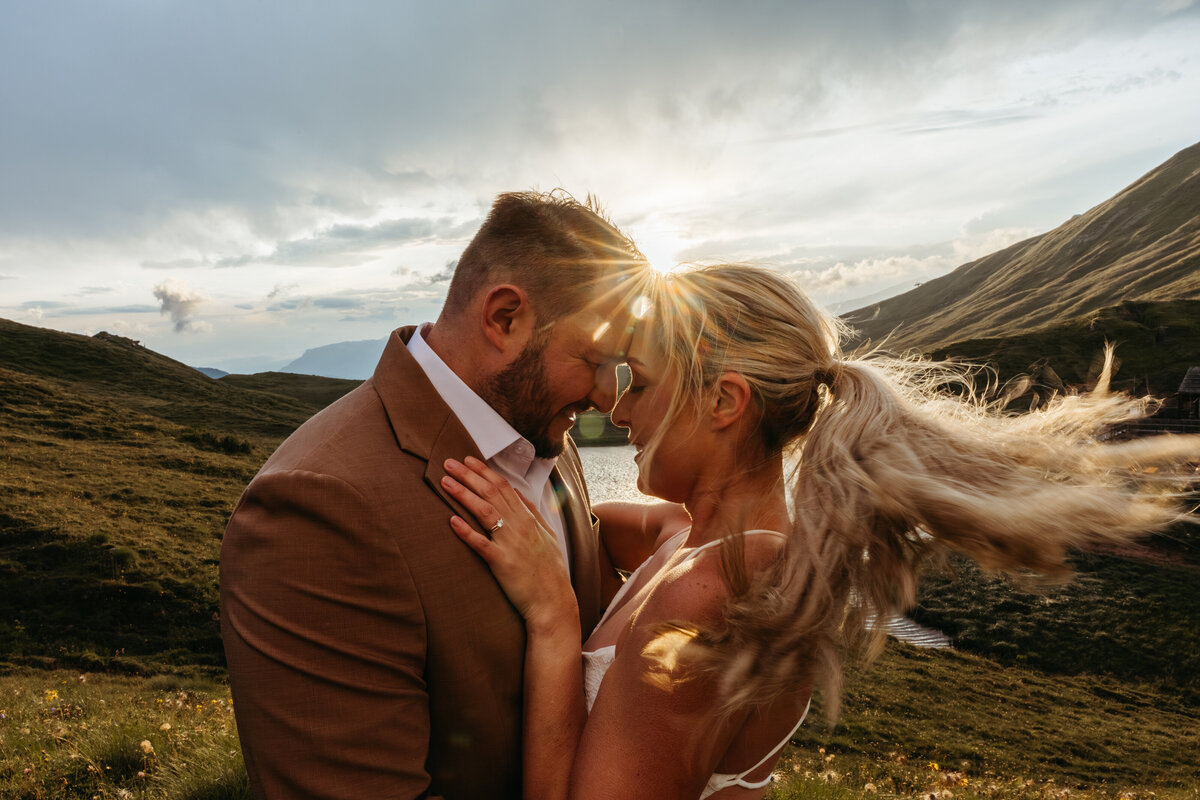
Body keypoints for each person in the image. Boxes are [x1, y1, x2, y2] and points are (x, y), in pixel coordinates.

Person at [440, 263, 1199, 799]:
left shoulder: (714, 591)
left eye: (639, 382)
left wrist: (552, 619)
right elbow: (591, 521)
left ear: (725, 402)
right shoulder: (694, 541)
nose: (618, 409)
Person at [219, 190, 651, 799]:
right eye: (596, 360)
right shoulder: (317, 509)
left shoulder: (542, 430)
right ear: (504, 317)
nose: (608, 397)